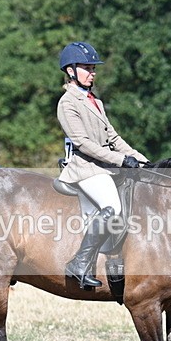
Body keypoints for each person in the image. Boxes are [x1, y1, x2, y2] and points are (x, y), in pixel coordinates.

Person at [56, 41, 149, 288]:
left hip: (104, 165)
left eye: (93, 68)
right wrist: (121, 160)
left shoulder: (94, 101)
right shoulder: (67, 103)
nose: (92, 72)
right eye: (87, 68)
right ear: (71, 71)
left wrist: (141, 159)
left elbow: (114, 138)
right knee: (112, 207)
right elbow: (83, 144)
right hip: (85, 168)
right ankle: (79, 263)